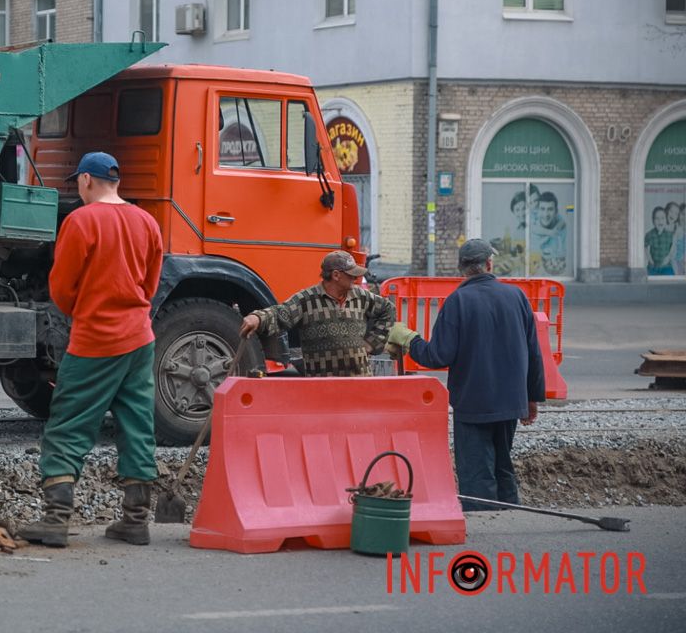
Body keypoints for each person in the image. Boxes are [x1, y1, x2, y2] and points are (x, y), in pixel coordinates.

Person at [18, 152, 164, 548]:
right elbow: (150, 286)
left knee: (69, 423)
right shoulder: (147, 222)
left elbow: (62, 288)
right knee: (136, 424)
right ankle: (136, 520)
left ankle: (56, 519)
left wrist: (81, 308)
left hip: (96, 340)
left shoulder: (81, 221)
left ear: (86, 181)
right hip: (140, 339)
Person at [386, 239, 544, 511]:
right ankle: (513, 517)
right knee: (503, 463)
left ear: (462, 270)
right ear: (489, 264)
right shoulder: (516, 296)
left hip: (473, 404)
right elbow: (534, 353)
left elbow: (437, 356)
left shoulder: (458, 301)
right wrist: (532, 398)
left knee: (476, 471)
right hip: (511, 402)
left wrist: (409, 339)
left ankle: (484, 524)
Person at [238, 251, 395, 376]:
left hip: (359, 381)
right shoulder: (307, 300)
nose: (355, 278)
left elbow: (388, 309)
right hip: (321, 388)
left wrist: (371, 344)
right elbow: (281, 313)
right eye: (351, 274)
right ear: (336, 275)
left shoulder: (361, 296)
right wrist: (258, 317)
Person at [530, 192, 567, 275]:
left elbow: (563, 222)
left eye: (550, 209)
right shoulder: (531, 229)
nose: (546, 214)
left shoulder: (562, 231)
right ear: (537, 210)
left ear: (556, 211)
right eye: (542, 209)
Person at [645, 205, 675, 276]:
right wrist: (650, 260)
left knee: (670, 279)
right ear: (653, 221)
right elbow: (646, 247)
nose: (660, 221)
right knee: (649, 280)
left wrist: (669, 257)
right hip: (653, 266)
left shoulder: (669, 234)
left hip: (666, 266)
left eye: (662, 218)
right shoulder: (649, 234)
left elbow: (673, 246)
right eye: (657, 218)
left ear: (666, 220)